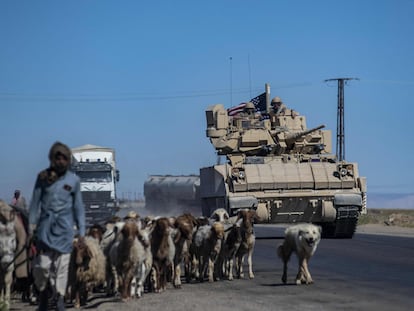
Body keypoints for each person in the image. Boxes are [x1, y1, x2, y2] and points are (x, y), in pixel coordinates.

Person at [29, 141, 85, 311]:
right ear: (52, 159)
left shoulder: (73, 180)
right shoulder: (43, 178)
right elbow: (34, 205)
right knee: (42, 267)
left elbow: (78, 208)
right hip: (45, 231)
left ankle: (60, 298)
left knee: (62, 269)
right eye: (57, 157)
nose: (60, 161)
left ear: (68, 160)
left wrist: (81, 232)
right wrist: (31, 228)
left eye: (64, 158)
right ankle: (44, 291)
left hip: (65, 231)